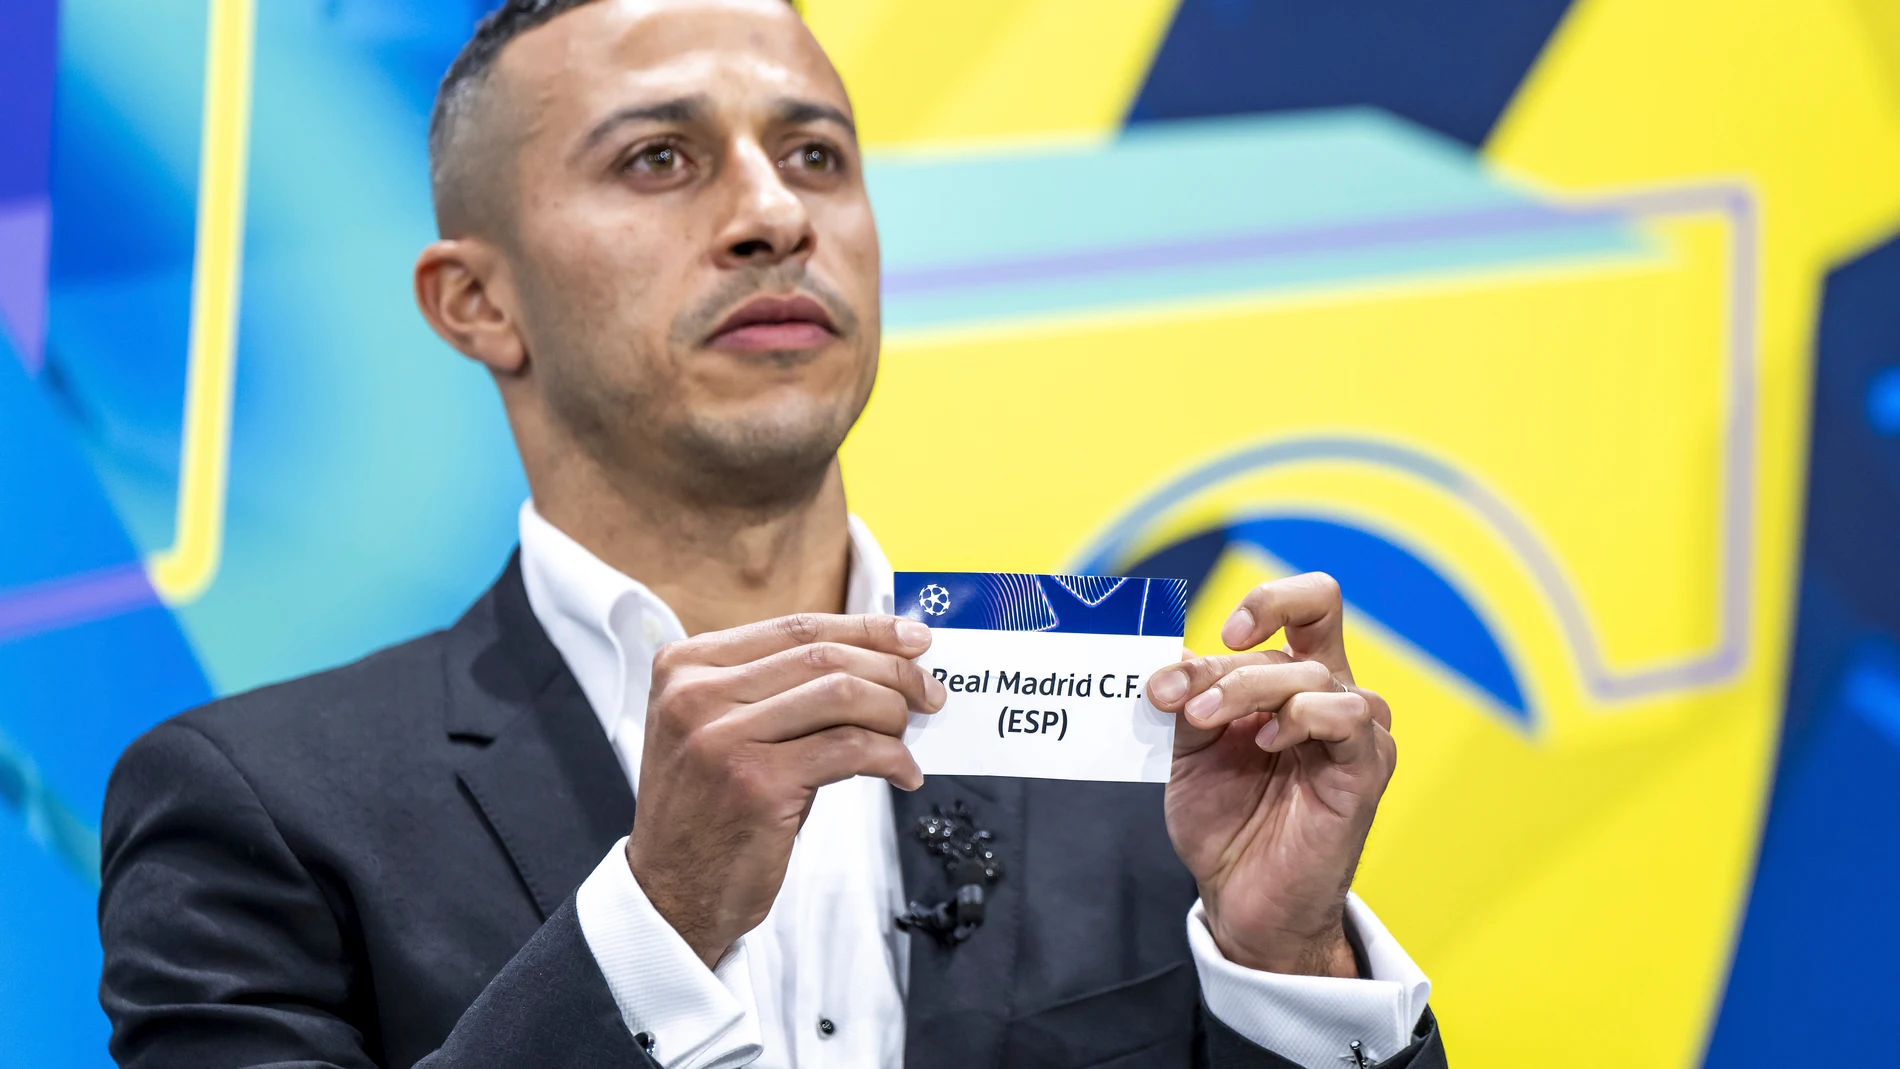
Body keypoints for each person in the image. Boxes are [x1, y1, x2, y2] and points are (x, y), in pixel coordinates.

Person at [97, 1, 1446, 1066]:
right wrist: (656, 919)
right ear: (475, 305)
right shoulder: (253, 808)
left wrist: (1291, 967)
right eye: (660, 159)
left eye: (816, 156)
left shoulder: (1137, 762)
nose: (773, 215)